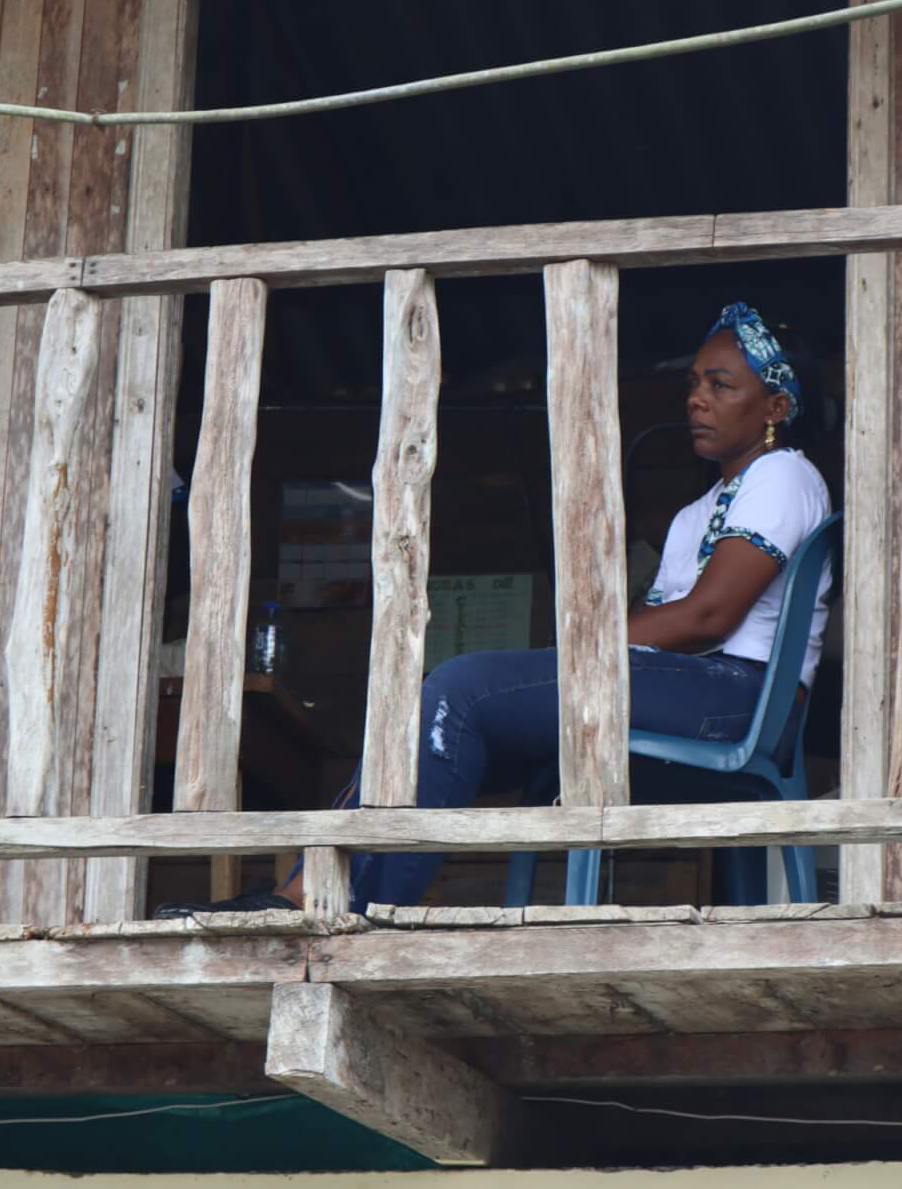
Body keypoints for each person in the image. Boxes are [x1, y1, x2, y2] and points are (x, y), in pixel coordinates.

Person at [158, 301, 832, 916]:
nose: (696, 400)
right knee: (433, 723)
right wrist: (586, 650)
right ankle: (304, 894)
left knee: (460, 691)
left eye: (721, 386)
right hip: (690, 689)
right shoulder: (697, 511)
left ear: (774, 406)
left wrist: (579, 647)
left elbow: (707, 619)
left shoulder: (784, 476)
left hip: (740, 700)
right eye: (693, 382)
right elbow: (663, 633)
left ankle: (343, 909)